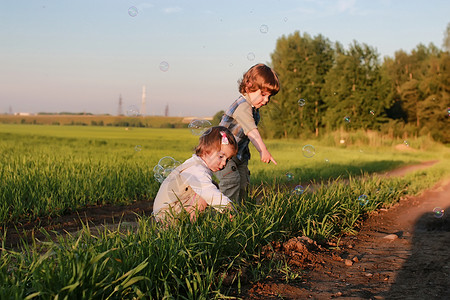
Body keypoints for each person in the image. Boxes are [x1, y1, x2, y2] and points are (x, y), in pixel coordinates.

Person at [215, 63, 280, 204]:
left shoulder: (253, 108)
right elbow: (251, 132)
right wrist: (263, 150)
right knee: (230, 183)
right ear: (248, 86)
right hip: (223, 156)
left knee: (243, 185)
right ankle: (223, 217)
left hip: (239, 156)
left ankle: (240, 215)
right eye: (263, 94)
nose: (266, 100)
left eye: (269, 96)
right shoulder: (243, 106)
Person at [152, 126, 238, 222]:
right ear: (206, 150)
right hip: (166, 215)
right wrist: (228, 208)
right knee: (205, 192)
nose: (224, 163)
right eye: (221, 156)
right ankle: (191, 226)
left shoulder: (196, 164)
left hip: (170, 210)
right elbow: (209, 192)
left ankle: (190, 224)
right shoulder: (197, 169)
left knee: (212, 185)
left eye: (227, 159)